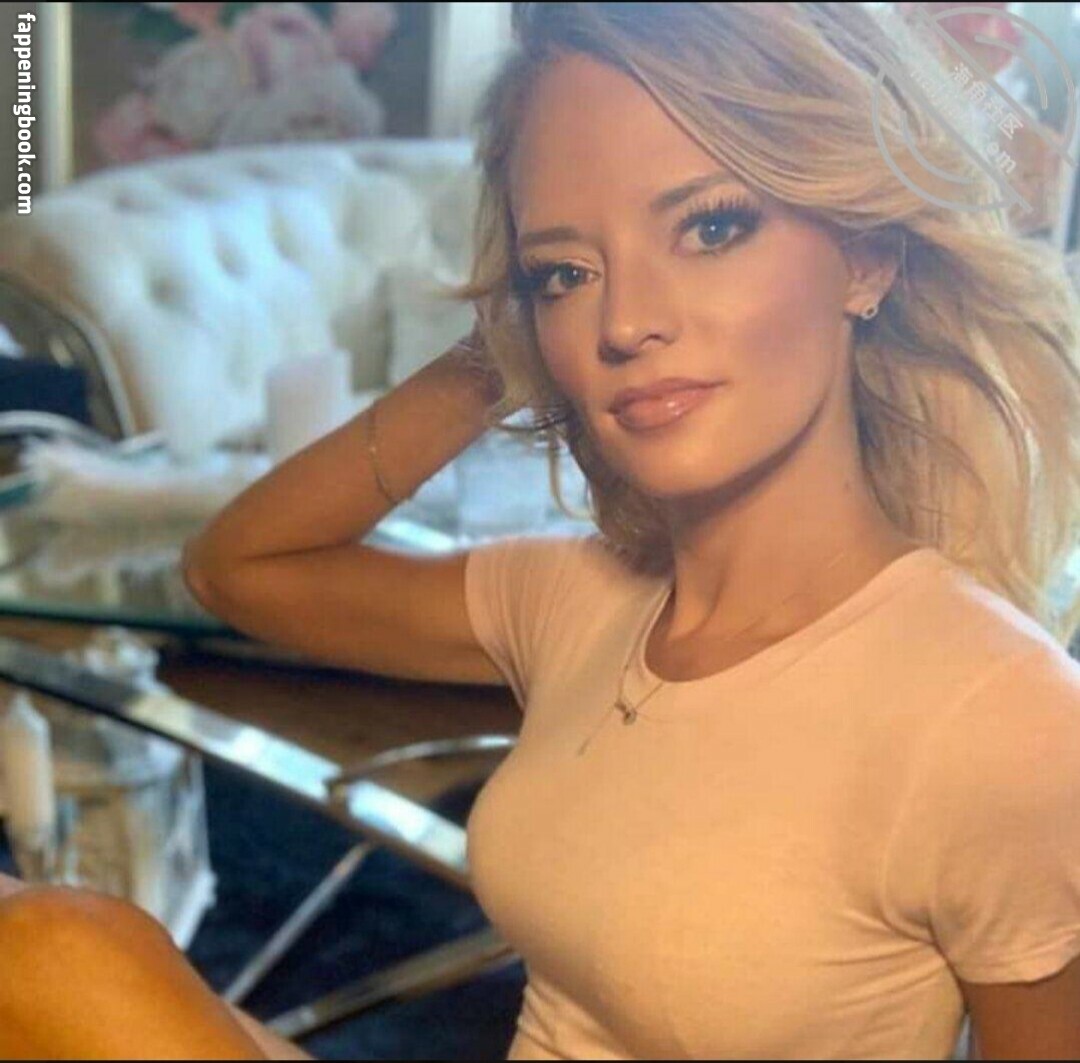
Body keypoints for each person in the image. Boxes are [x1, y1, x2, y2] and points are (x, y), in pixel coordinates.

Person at [3, 2, 1080, 1058]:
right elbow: (236, 569)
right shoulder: (579, 601)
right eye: (565, 272)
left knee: (58, 950)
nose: (625, 322)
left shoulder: (1001, 714)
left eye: (710, 227)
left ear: (866, 258)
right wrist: (497, 357)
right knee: (44, 952)